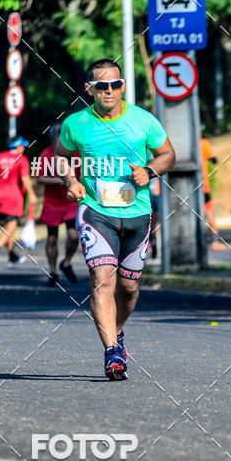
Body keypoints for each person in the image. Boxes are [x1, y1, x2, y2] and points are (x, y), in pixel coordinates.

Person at [54, 59, 176, 380]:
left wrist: (149, 171)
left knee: (129, 288)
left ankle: (116, 332)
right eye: (101, 85)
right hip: (95, 212)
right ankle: (111, 351)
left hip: (137, 214)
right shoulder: (76, 123)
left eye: (115, 84)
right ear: (89, 88)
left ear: (122, 86)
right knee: (102, 278)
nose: (109, 91)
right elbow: (61, 157)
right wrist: (71, 181)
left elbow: (168, 155)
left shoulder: (143, 120)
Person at [34, 125, 80, 287]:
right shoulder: (46, 154)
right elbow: (38, 178)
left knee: (74, 236)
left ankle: (66, 263)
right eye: (59, 137)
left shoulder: (76, 153)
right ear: (53, 138)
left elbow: (83, 174)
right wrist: (59, 180)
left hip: (70, 201)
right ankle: (53, 272)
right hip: (52, 204)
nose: (62, 141)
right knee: (52, 239)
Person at [0, 136, 37, 264]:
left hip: (0, 195)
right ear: (17, 146)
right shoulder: (21, 159)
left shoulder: (0, 156)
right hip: (14, 196)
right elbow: (25, 179)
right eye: (22, 145)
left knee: (9, 225)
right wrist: (32, 194)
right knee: (12, 225)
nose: (23, 148)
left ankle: (12, 255)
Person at [200, 136, 224, 249]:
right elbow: (214, 160)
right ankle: (215, 240)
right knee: (209, 211)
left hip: (188, 185)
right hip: (203, 185)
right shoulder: (203, 143)